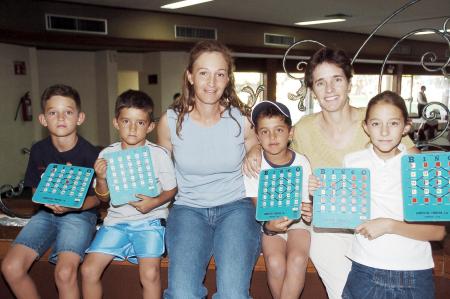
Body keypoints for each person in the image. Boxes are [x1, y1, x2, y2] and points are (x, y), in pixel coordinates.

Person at [244, 47, 417, 299]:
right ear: (312, 89)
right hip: (327, 229)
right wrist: (254, 149)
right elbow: (279, 153)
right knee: (344, 292)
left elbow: (414, 163)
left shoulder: (374, 122)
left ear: (349, 82)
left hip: (376, 222)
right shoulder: (303, 129)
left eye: (337, 79)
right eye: (320, 82)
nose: (329, 89)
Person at [157, 40, 261, 299]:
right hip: (188, 209)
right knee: (182, 294)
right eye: (203, 73)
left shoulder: (241, 119)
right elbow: (159, 175)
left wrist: (255, 150)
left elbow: (261, 148)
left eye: (220, 74)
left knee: (234, 295)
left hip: (235, 207)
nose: (211, 82)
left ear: (228, 79)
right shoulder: (170, 122)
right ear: (190, 76)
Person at [340, 91, 446, 298]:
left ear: (406, 127)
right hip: (364, 269)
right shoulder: (352, 162)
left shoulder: (424, 167)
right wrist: (321, 191)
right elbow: (347, 217)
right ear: (366, 127)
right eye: (377, 123)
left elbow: (437, 232)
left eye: (393, 123)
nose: (385, 131)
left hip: (413, 272)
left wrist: (389, 225)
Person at [1, 84, 100, 299]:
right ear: (43, 119)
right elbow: (36, 188)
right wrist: (48, 200)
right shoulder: (38, 150)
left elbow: (99, 198)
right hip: (45, 214)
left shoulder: (91, 153)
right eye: (53, 112)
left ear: (80, 118)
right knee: (11, 267)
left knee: (64, 273)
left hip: (80, 215)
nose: (61, 118)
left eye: (68, 112)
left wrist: (74, 205)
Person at [81, 90, 177, 299]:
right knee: (88, 270)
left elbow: (172, 189)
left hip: (149, 221)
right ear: (116, 122)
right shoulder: (107, 154)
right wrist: (102, 178)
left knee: (150, 274)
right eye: (126, 121)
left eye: (140, 122)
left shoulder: (158, 154)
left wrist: (154, 203)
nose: (132, 128)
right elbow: (104, 198)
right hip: (115, 222)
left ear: (150, 126)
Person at [244, 100, 312, 299]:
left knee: (298, 259)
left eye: (279, 130)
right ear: (257, 136)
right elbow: (260, 210)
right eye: (265, 131)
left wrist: (309, 210)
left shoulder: (301, 161)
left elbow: (308, 203)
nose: (272, 137)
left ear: (290, 133)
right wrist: (270, 225)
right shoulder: (254, 165)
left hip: (298, 223)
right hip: (270, 224)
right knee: (274, 262)